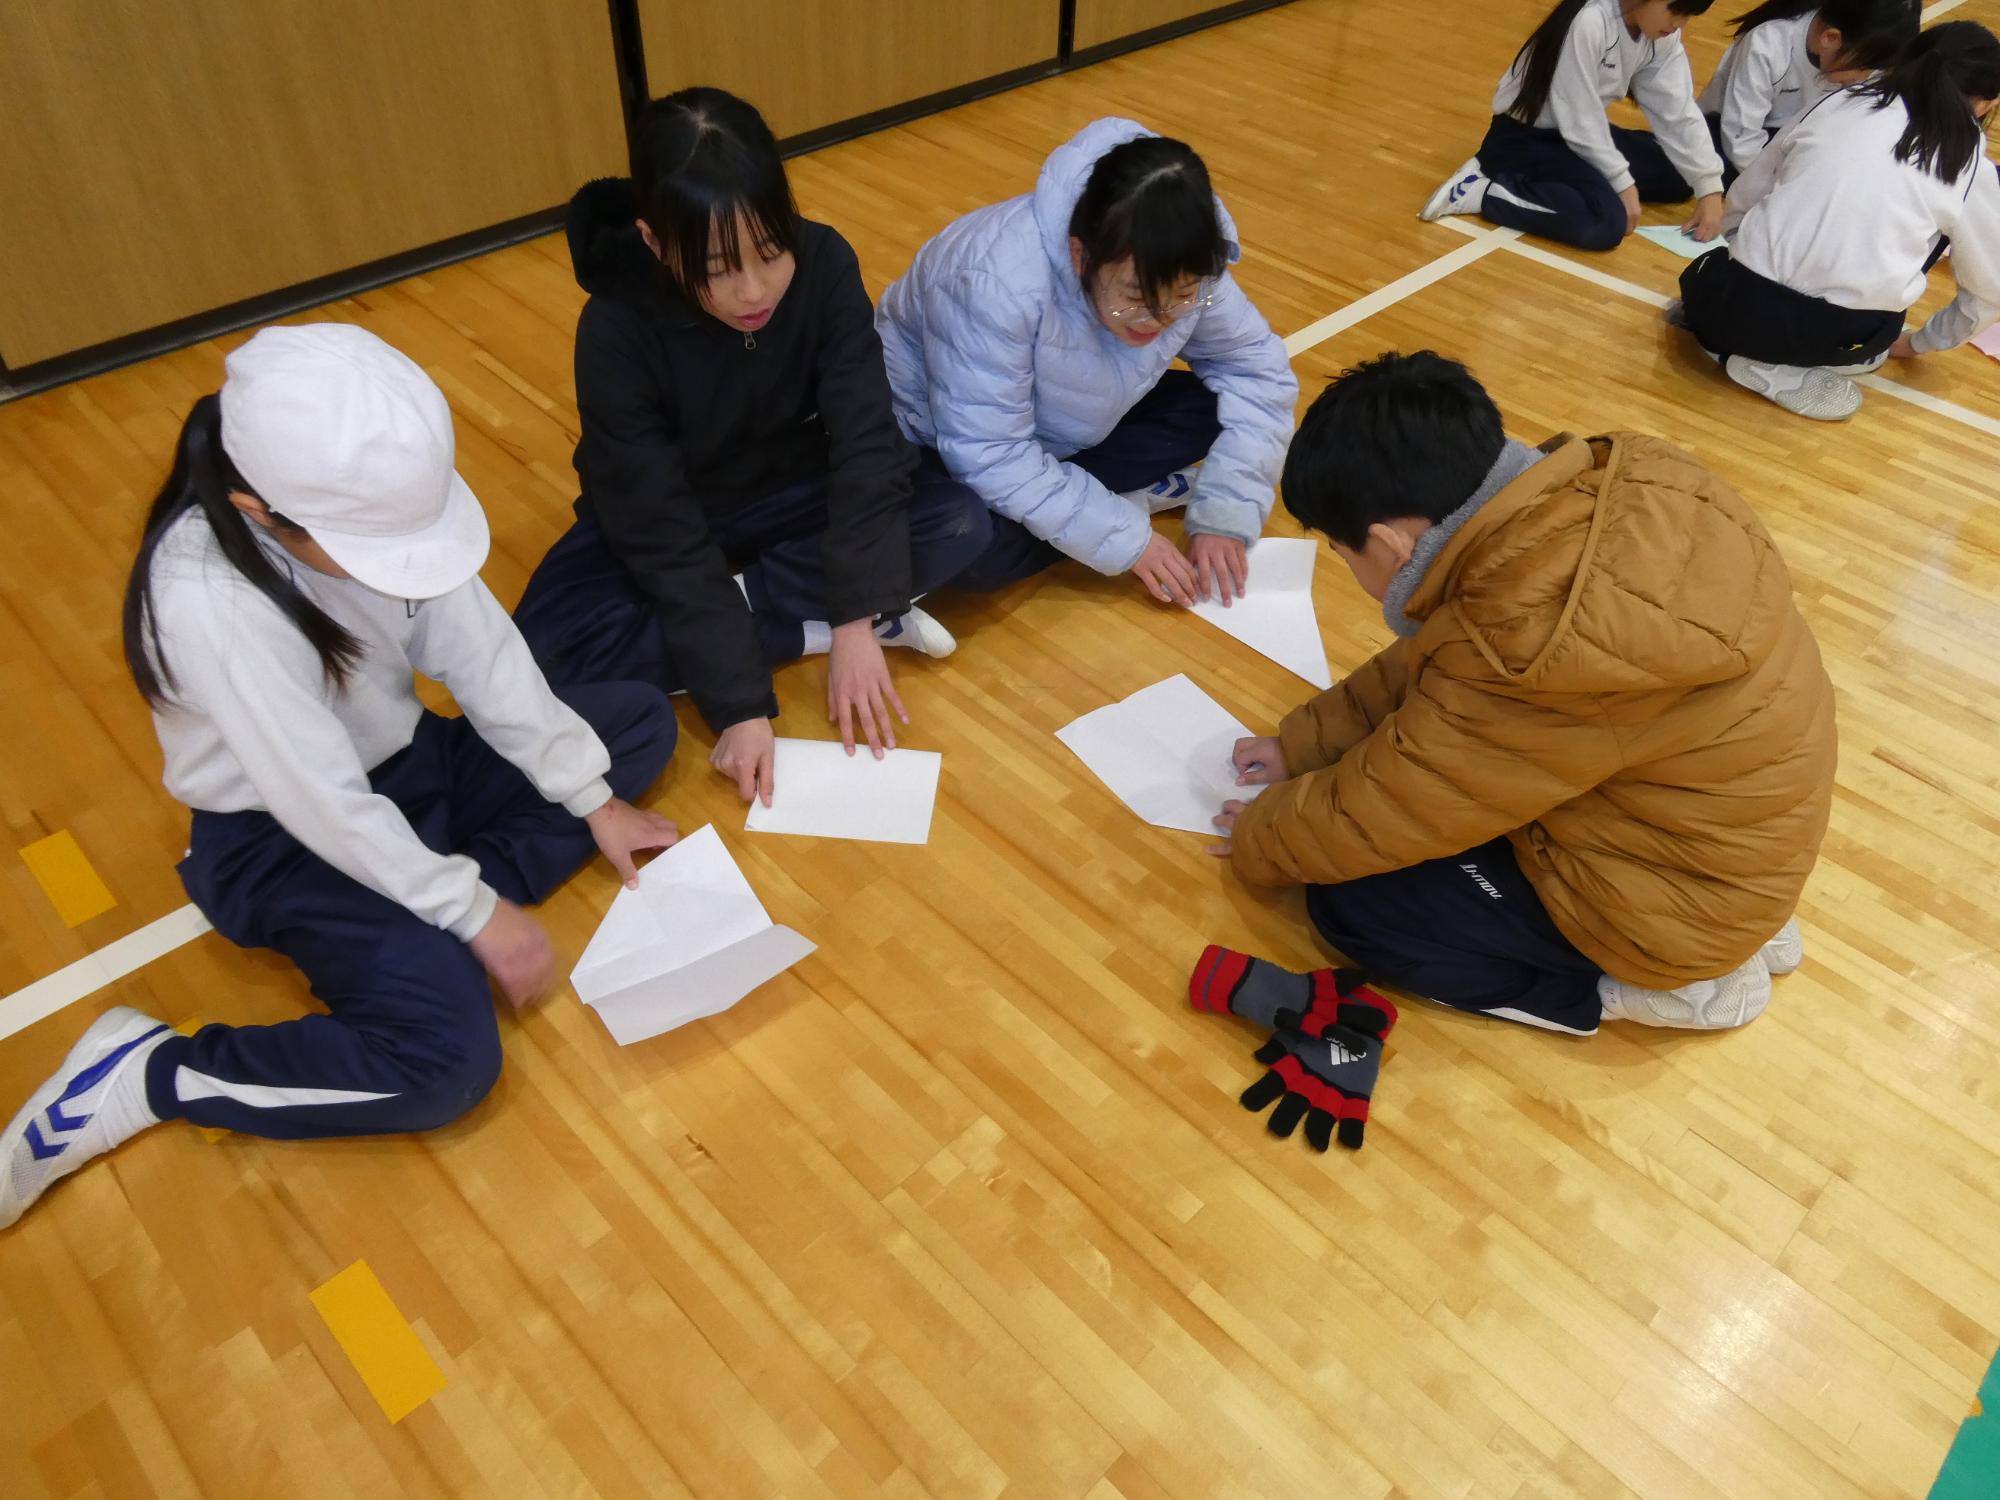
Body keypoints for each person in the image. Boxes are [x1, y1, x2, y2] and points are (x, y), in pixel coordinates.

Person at [0, 324, 681, 1230]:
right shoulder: (206, 598)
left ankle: (428, 920)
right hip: (281, 840)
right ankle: (151, 1074)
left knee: (634, 723)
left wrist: (591, 798)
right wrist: (477, 912)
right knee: (446, 1068)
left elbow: (482, 655)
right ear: (257, 510)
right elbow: (320, 799)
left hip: (410, 770)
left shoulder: (380, 489)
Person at [1205, 351, 1836, 1036]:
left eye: (1342, 552)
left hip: (1672, 909)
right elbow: (1437, 663)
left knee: (1355, 908)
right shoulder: (1594, 497)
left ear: (1387, 544)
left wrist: (1264, 835)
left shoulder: (1523, 645)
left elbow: (1399, 802)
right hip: (1729, 840)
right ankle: (1737, 924)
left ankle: (1664, 989)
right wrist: (1301, 745)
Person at [514, 87, 992, 806]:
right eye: (715, 267)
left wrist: (856, 618)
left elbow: (866, 441)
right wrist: (740, 702)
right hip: (682, 513)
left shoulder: (826, 262)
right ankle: (802, 633)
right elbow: (660, 530)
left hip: (797, 495)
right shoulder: (614, 328)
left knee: (960, 519)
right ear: (653, 241)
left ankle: (815, 615)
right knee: (537, 659)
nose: (753, 289)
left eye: (771, 251)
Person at [874, 118, 1297, 608]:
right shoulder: (993, 283)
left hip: (1070, 428)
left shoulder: (1191, 258)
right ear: (1080, 255)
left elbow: (1256, 369)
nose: (1157, 319)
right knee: (972, 545)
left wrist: (1226, 516)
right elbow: (989, 453)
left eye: (1183, 297)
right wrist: (1129, 542)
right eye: (1136, 296)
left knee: (1211, 409)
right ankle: (1115, 504)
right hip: (940, 439)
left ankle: (1089, 510)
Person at [1673, 21, 2000, 419]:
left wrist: (1743, 255)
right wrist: (1919, 343)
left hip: (1734, 302)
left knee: (1704, 273)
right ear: (1984, 102)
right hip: (1839, 333)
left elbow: (1749, 188)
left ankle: (1723, 338)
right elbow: (1991, 290)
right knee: (1881, 318)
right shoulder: (1970, 164)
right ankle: (1791, 360)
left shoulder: (1841, 99)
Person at [1420, 0, 1728, 252]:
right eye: (1676, 10)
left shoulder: (1660, 38)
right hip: (1524, 141)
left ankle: (1585, 180)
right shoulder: (1590, 20)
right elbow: (1579, 118)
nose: (1679, 24)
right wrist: (1623, 182)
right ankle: (1482, 190)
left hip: (1579, 136)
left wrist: (1710, 188)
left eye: (1688, 16)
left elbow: (1678, 112)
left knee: (1678, 177)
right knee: (1604, 222)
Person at [1700, 0, 1920, 184]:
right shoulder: (1768, 43)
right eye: (1863, 68)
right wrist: (1785, 187)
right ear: (1831, 39)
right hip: (1728, 131)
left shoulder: (1858, 51)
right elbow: (1741, 141)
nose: (1864, 78)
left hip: (1791, 132)